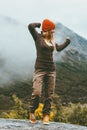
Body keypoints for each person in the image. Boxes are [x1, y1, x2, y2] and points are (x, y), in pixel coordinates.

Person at [28, 19, 70, 124]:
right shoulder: (38, 37)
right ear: (47, 29)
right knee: (37, 92)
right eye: (52, 29)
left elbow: (59, 48)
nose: (53, 31)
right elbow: (30, 26)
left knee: (49, 94)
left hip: (51, 70)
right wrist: (39, 25)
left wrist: (67, 42)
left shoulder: (52, 40)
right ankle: (32, 111)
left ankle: (46, 115)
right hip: (40, 70)